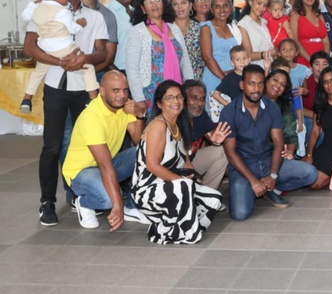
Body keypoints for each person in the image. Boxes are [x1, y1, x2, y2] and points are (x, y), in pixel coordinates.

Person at [23, 0, 110, 226]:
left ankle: (78, 194)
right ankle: (47, 202)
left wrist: (83, 58)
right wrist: (59, 62)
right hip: (55, 85)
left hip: (83, 89)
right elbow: (29, 47)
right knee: (52, 145)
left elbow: (101, 54)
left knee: (84, 145)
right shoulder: (43, 10)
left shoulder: (95, 18)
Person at [220, 64, 318, 220]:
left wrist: (272, 176)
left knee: (310, 173)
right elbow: (230, 152)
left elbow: (279, 144)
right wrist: (253, 181)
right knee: (240, 214)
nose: (256, 89)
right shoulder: (229, 111)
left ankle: (269, 187)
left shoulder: (272, 107)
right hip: (243, 168)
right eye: (251, 83)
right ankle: (255, 188)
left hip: (267, 162)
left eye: (260, 84)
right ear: (242, 85)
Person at [131, 80, 224, 244]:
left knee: (214, 199)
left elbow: (187, 165)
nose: (176, 101)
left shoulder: (178, 126)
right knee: (184, 186)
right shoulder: (158, 125)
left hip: (171, 186)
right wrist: (183, 183)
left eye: (179, 97)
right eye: (169, 98)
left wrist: (197, 184)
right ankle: (177, 234)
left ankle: (170, 225)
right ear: (159, 103)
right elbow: (152, 166)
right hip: (148, 191)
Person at [62, 71, 145, 230]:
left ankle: (131, 207)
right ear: (102, 91)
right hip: (81, 171)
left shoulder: (124, 107)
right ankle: (82, 202)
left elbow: (139, 140)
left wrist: (140, 114)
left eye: (125, 90)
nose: (122, 95)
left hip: (107, 164)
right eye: (116, 90)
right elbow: (105, 166)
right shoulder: (92, 117)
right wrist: (117, 204)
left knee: (145, 153)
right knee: (108, 200)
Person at [20, 0, 98, 113]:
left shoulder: (37, 9)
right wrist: (80, 24)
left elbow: (25, 15)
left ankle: (27, 99)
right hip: (63, 48)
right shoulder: (62, 12)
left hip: (45, 49)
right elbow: (73, 29)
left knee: (38, 72)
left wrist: (34, 4)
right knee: (88, 67)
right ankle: (93, 99)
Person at [126, 0, 194, 117]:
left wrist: (190, 88)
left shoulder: (174, 28)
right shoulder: (137, 32)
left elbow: (185, 61)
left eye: (157, 0)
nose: (154, 5)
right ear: (143, 8)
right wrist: (139, 99)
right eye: (149, 2)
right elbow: (132, 69)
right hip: (151, 94)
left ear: (163, 3)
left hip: (177, 93)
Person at [200, 0, 245, 111]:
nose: (222, 10)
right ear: (212, 9)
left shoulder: (233, 27)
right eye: (217, 6)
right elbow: (207, 57)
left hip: (234, 78)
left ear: (231, 8)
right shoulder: (207, 27)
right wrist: (224, 79)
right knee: (217, 117)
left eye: (225, 5)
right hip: (215, 78)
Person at [183, 79, 230, 191]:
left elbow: (211, 135)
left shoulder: (201, 114)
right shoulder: (175, 117)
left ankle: (207, 195)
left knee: (222, 151)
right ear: (183, 98)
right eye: (193, 98)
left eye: (202, 99)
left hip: (191, 160)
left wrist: (215, 141)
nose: (199, 103)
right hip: (172, 166)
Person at [82, 0, 118, 76]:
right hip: (65, 73)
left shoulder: (108, 15)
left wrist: (88, 75)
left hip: (95, 75)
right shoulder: (68, 9)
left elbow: (109, 57)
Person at [264, 69, 303, 159]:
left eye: (283, 85)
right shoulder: (254, 100)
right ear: (267, 80)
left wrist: (289, 151)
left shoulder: (285, 107)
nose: (278, 85)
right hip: (252, 154)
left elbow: (291, 135)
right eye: (275, 80)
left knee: (309, 171)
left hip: (276, 154)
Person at [289, 0, 330, 66]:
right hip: (304, 60)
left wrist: (324, 60)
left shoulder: (319, 14)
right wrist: (312, 61)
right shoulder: (295, 15)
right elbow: (295, 41)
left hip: (322, 62)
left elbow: (325, 40)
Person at [171, 0, 205, 80]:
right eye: (175, 4)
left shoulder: (200, 28)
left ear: (190, 6)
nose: (179, 7)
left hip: (198, 79)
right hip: (174, 78)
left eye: (183, 3)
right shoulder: (167, 29)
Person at [239, 0, 276, 67]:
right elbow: (249, 55)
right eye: (259, 3)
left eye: (265, 5)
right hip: (256, 69)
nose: (261, 8)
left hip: (271, 66)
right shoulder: (243, 25)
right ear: (250, 2)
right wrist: (272, 52)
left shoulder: (265, 22)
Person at [106, 0, 135, 74]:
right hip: (119, 70)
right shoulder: (108, 13)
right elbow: (103, 51)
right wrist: (118, 74)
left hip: (138, 70)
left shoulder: (136, 12)